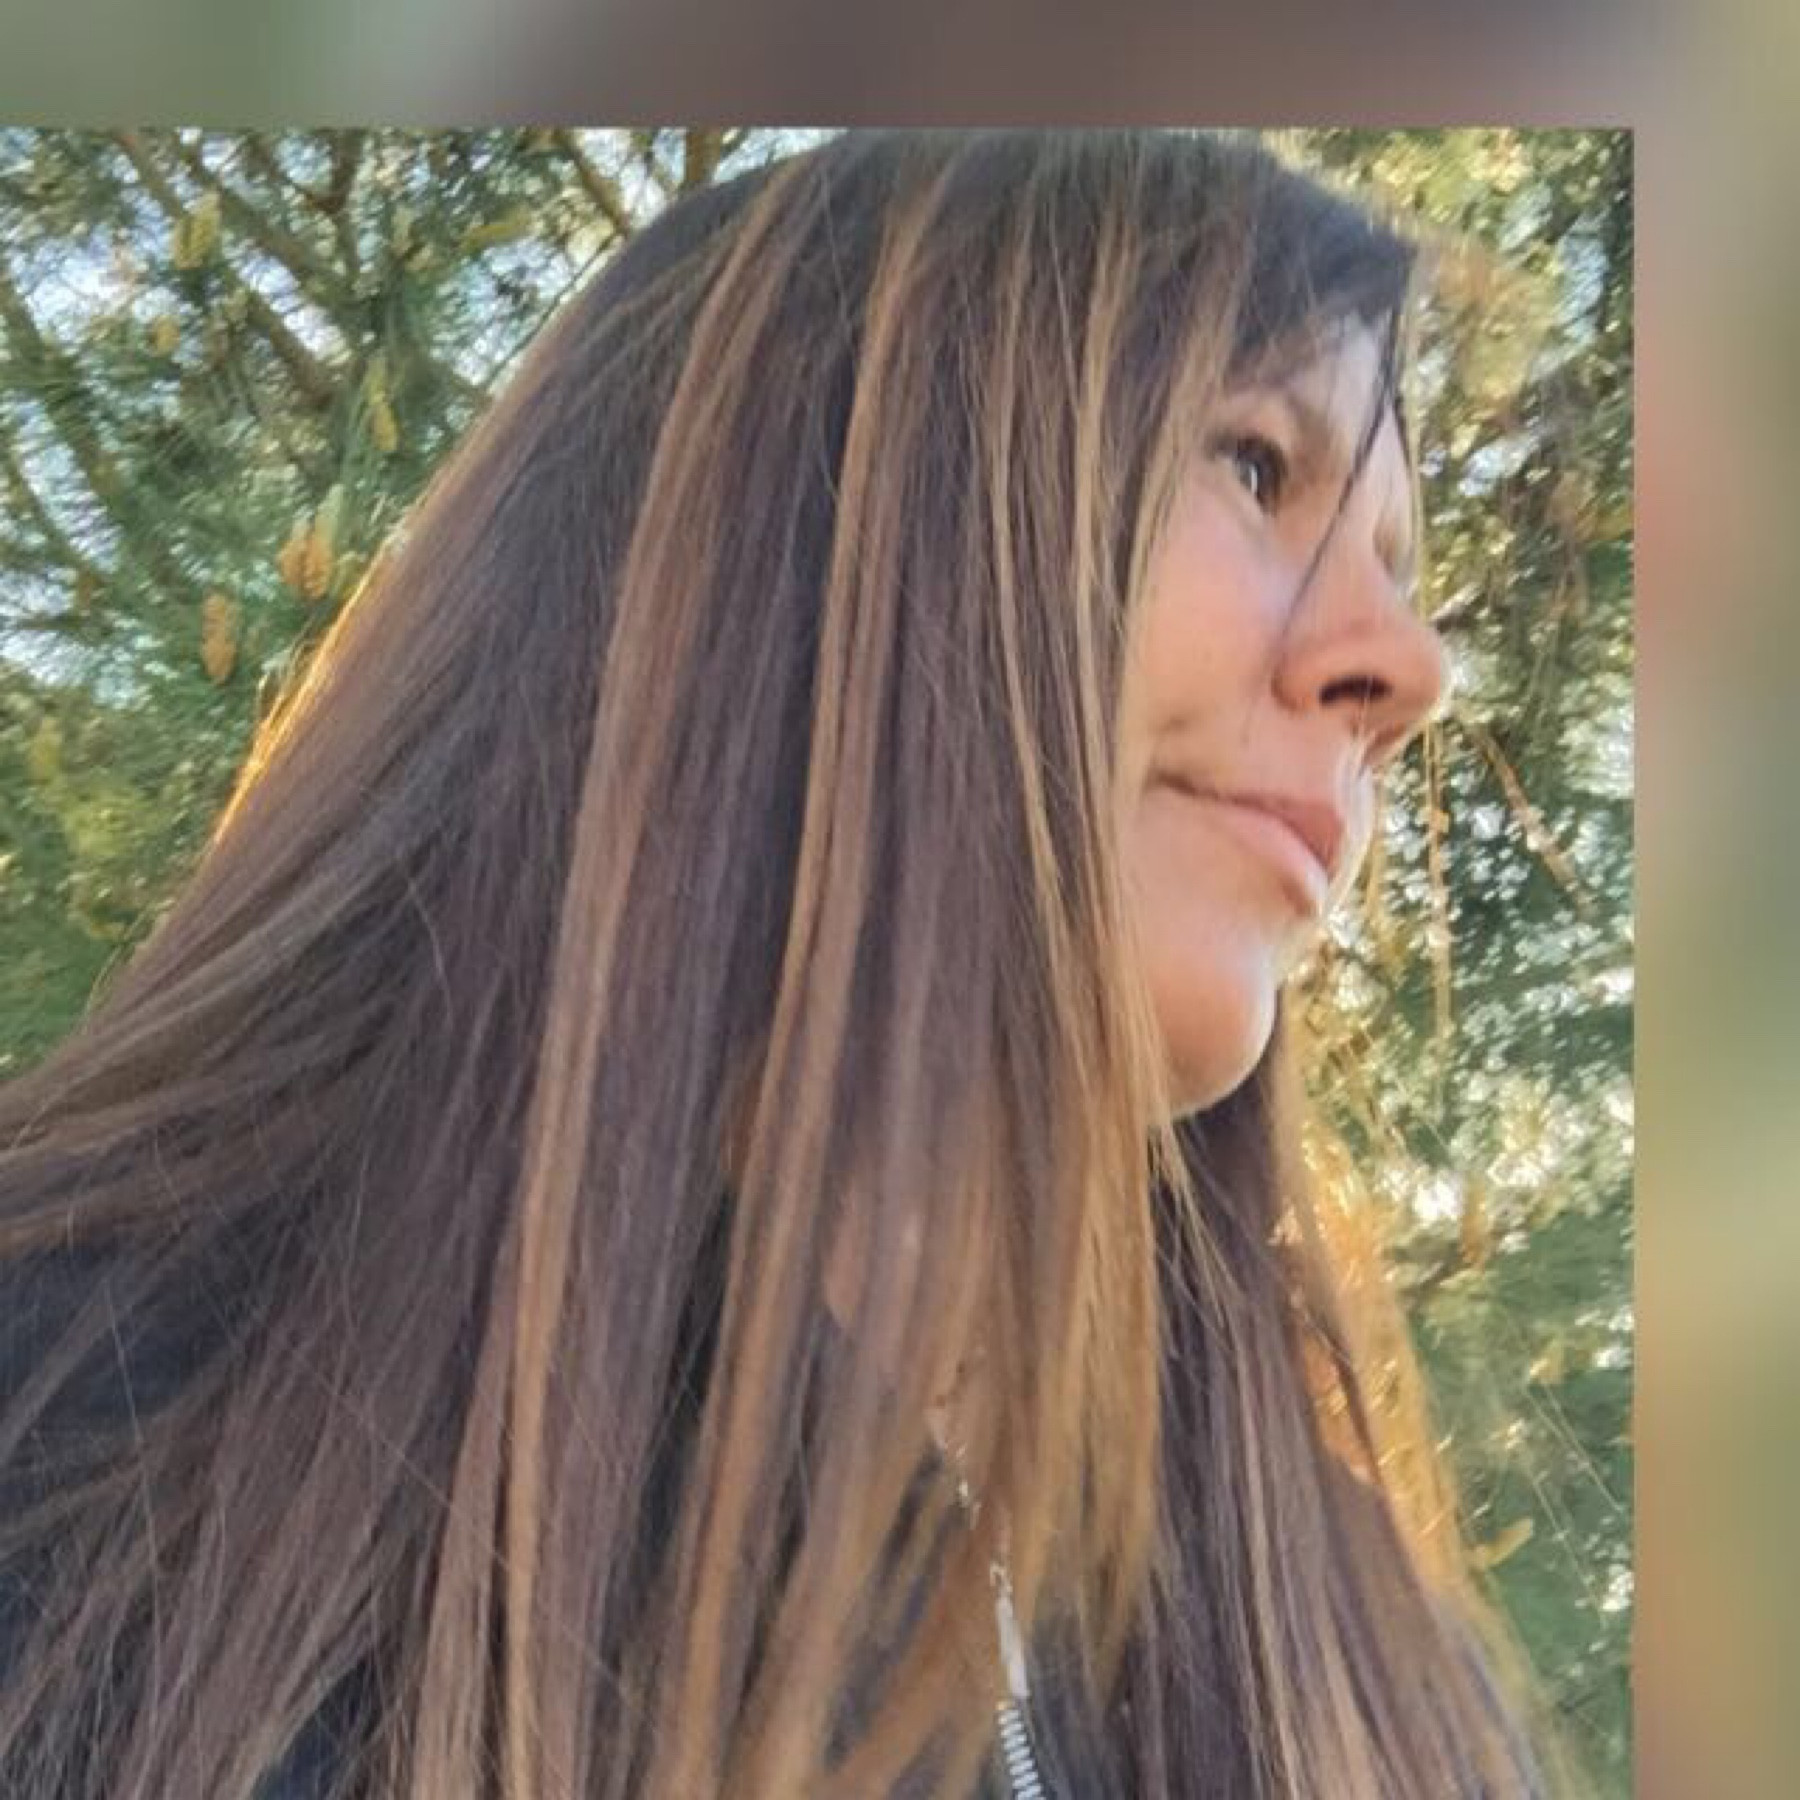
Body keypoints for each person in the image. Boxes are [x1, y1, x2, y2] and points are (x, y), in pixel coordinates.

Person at [0, 129, 1553, 1797]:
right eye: (1255, 464)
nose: (1408, 671)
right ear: (813, 515)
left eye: (1397, 566)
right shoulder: (96, 1436)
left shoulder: (1369, 1688)